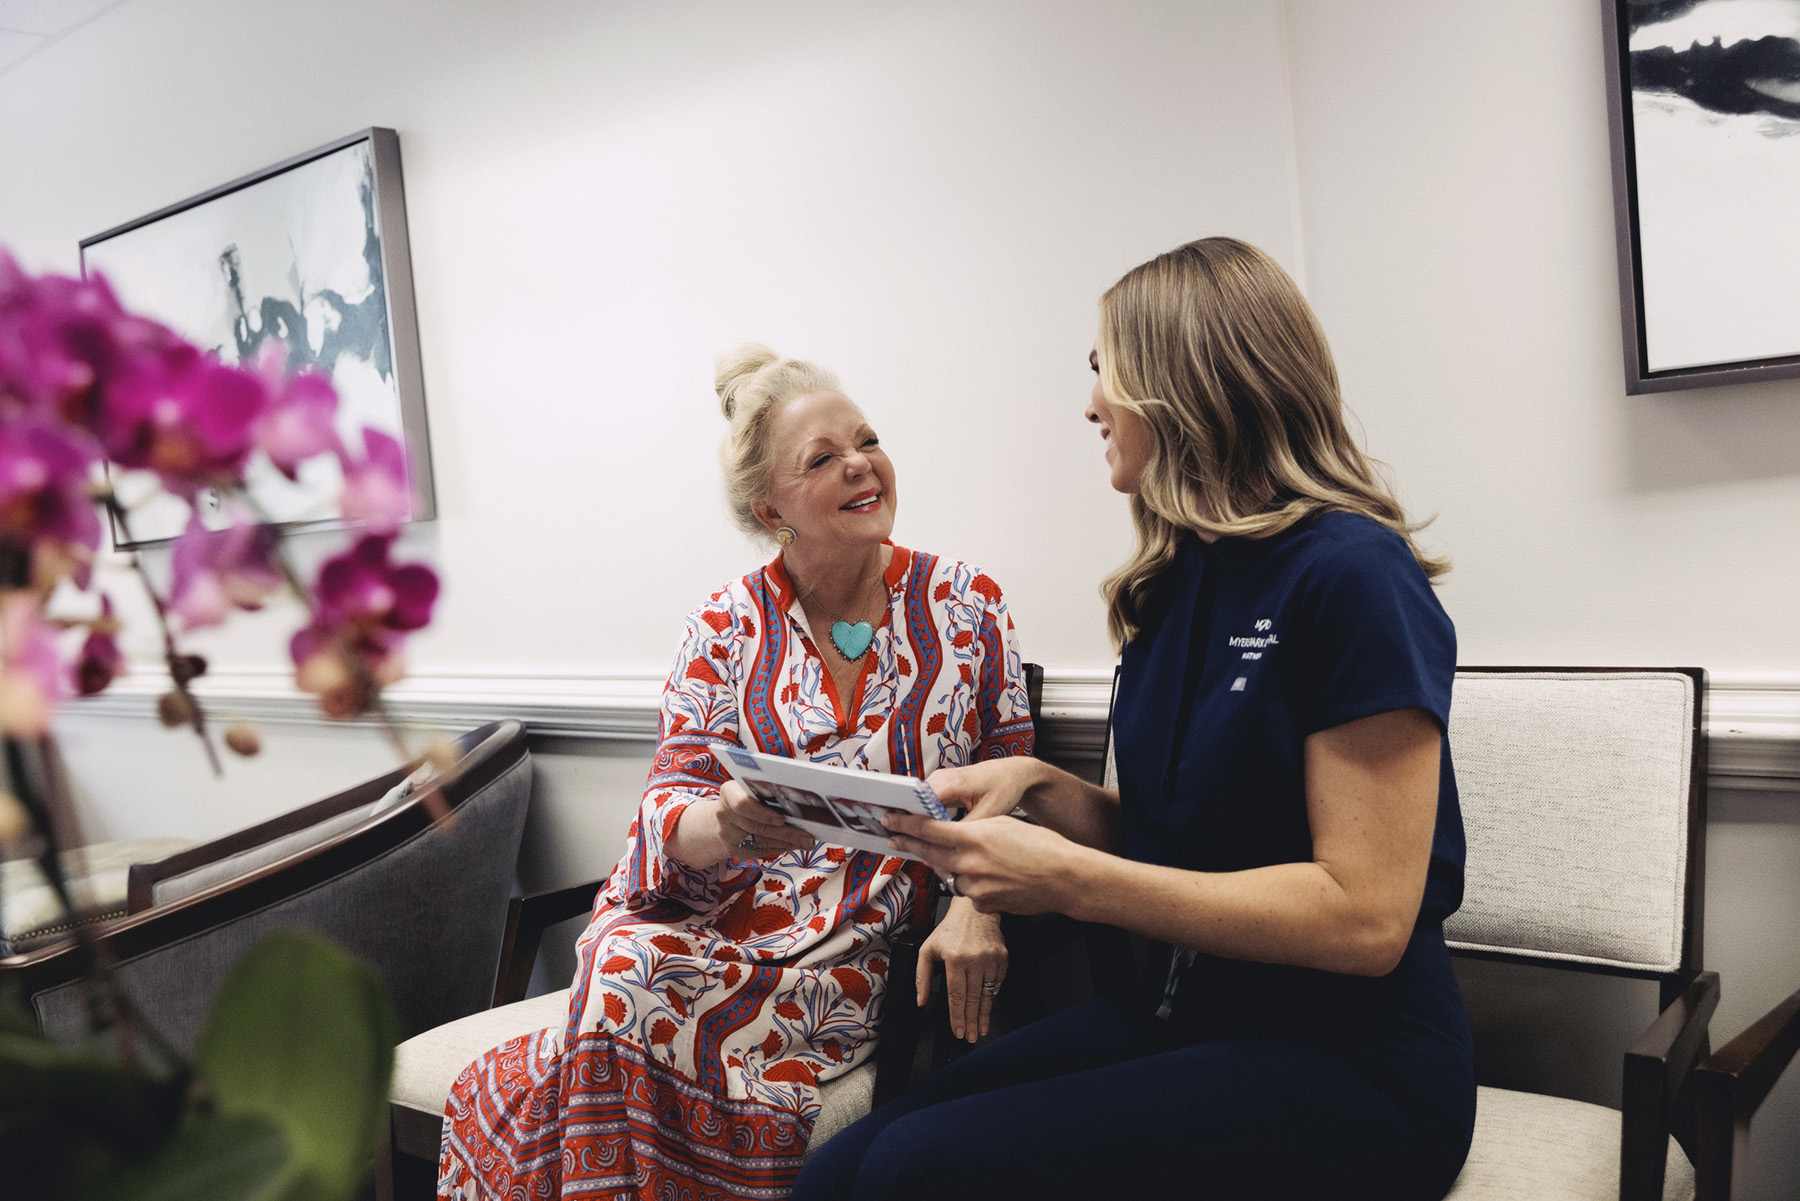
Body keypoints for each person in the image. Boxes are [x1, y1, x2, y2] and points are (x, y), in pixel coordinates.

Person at [793, 238, 1477, 1201]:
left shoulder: (1355, 575)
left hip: (1356, 1066)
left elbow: (1364, 917)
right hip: (1185, 1016)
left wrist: (1072, 880)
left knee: (915, 1173)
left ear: (1183, 384)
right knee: (838, 1174)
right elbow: (1184, 839)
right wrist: (1038, 790)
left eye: (1103, 369)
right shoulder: (1173, 584)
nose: (1090, 404)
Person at [438, 345, 1036, 1201]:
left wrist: (979, 905)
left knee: (613, 1003)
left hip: (861, 943)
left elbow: (1018, 782)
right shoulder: (721, 625)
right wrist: (729, 816)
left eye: (866, 440)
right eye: (822, 459)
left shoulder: (967, 604)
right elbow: (667, 812)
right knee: (617, 965)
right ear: (772, 507)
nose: (861, 464)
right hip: (717, 920)